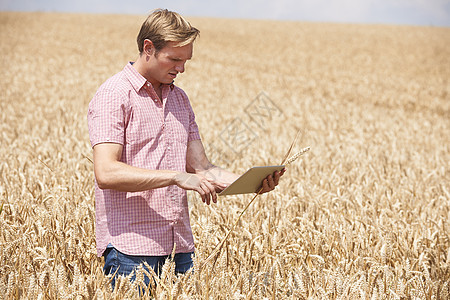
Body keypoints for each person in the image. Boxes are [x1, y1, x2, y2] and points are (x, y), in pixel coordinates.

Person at [87, 8, 284, 288]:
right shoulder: (113, 95)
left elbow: (202, 169)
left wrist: (252, 183)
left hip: (179, 248)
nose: (181, 68)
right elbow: (106, 173)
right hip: (131, 250)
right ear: (148, 48)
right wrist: (176, 176)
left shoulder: (179, 99)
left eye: (186, 60)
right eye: (174, 59)